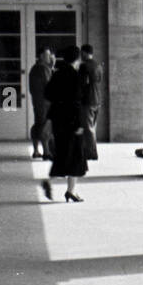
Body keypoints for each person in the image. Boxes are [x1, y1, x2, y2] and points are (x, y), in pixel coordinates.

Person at [42, 46, 88, 203]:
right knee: (76, 155)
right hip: (72, 122)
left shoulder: (57, 74)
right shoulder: (76, 76)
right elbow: (77, 102)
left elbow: (47, 94)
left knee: (62, 153)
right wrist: (80, 124)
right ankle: (70, 190)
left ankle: (61, 186)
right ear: (77, 59)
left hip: (58, 121)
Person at [28, 47, 55, 161]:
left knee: (38, 124)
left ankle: (36, 150)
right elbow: (50, 86)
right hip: (45, 102)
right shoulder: (43, 69)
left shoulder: (34, 68)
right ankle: (46, 151)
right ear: (41, 56)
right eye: (47, 55)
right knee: (45, 125)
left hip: (37, 101)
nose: (50, 57)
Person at [79, 44, 103, 161]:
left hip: (87, 99)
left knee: (88, 127)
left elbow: (81, 84)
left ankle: (92, 152)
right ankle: (89, 150)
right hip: (97, 99)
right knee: (93, 127)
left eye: (81, 53)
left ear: (84, 53)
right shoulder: (98, 65)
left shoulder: (84, 66)